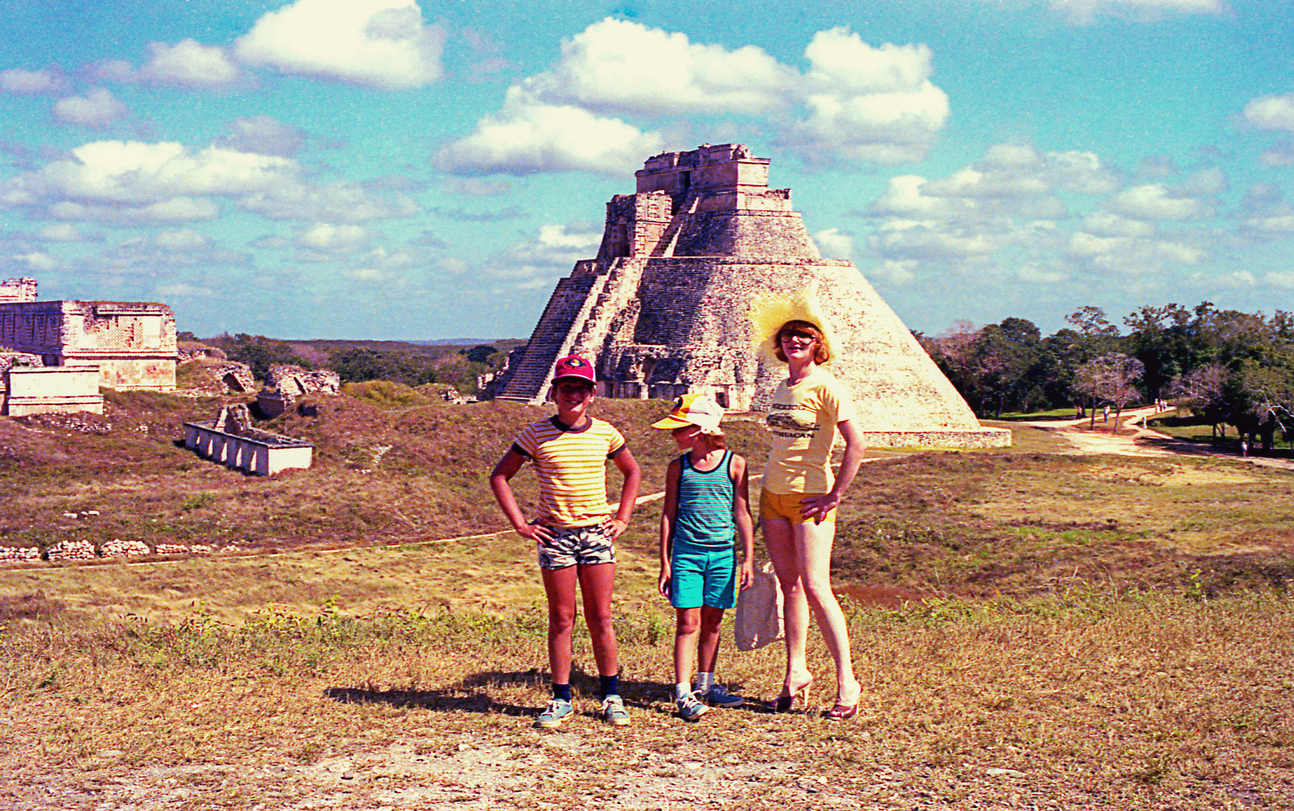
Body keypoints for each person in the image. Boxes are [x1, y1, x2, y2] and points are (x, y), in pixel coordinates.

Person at [489, 355, 642, 729]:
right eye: (565, 387)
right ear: (554, 392)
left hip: (596, 533)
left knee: (601, 617)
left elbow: (632, 471)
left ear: (591, 394)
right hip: (556, 535)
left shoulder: (605, 433)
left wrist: (623, 517)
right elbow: (500, 476)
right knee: (561, 618)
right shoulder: (535, 434)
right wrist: (521, 525)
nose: (573, 394)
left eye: (580, 388)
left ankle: (611, 695)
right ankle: (560, 697)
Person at [753, 300, 865, 720]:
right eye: (788, 335)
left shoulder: (827, 385)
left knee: (817, 586)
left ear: (819, 345)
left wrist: (835, 494)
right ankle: (795, 671)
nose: (795, 340)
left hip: (809, 496)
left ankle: (847, 682)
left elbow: (857, 443)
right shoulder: (784, 387)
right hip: (773, 494)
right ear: (779, 345)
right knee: (789, 586)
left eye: (804, 336)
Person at [652, 393, 755, 721]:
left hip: (722, 555)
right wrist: (665, 561)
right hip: (687, 555)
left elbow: (742, 512)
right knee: (688, 622)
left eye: (679, 429)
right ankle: (683, 691)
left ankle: (706, 684)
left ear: (699, 429)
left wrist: (747, 558)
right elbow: (668, 513)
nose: (673, 435)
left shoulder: (735, 463)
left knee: (713, 621)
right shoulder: (677, 467)